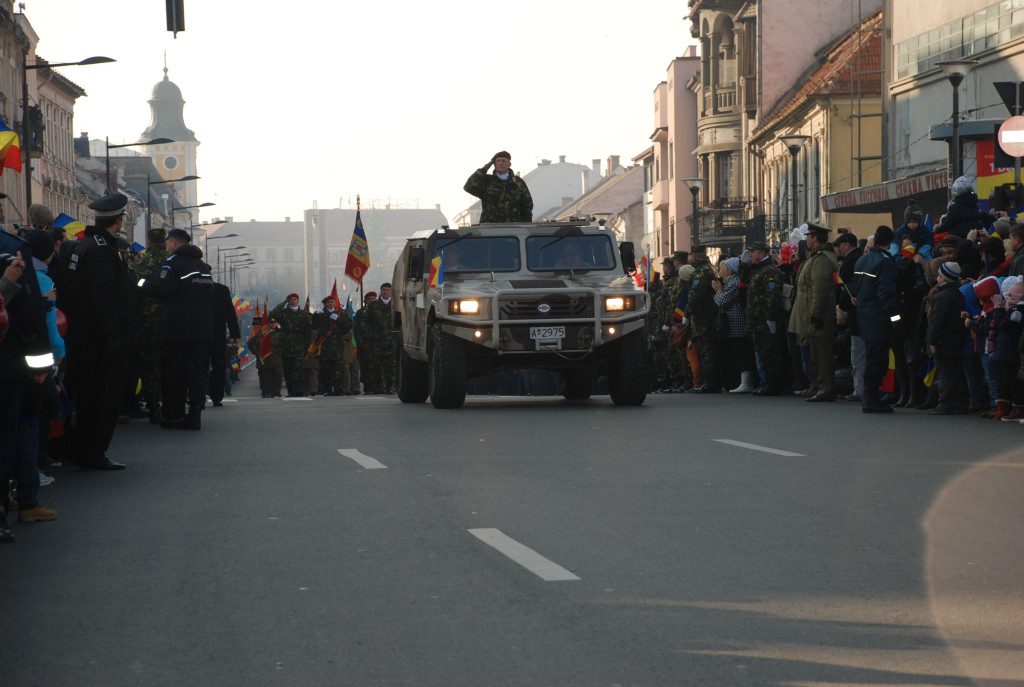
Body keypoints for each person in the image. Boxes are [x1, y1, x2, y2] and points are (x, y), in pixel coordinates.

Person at [61, 193, 133, 470]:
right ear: (118, 220)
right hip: (99, 339)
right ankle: (93, 451)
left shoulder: (81, 246)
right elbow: (103, 297)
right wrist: (113, 335)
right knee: (102, 398)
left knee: (85, 395)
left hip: (81, 336)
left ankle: (79, 449)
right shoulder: (103, 250)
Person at [138, 228, 214, 430]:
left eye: (168, 242)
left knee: (175, 372)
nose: (166, 246)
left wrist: (139, 282)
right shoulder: (202, 266)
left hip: (178, 328)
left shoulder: (173, 263)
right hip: (202, 328)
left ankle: (174, 413)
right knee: (197, 372)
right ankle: (195, 413)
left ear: (173, 242)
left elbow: (162, 290)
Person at [789, 223, 839, 402]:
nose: (806, 240)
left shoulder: (821, 260)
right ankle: (816, 385)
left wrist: (816, 313)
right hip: (808, 311)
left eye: (809, 236)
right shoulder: (812, 258)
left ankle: (826, 387)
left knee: (821, 353)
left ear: (815, 238)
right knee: (813, 353)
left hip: (818, 313)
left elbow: (819, 289)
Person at [852, 226, 899, 413]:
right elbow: (886, 294)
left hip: (864, 314)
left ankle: (870, 397)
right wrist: (896, 319)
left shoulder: (861, 261)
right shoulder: (885, 262)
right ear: (889, 242)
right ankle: (871, 399)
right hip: (879, 316)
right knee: (877, 359)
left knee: (871, 357)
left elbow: (857, 290)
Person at [135, 228, 169, 422]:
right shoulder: (171, 262)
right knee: (170, 364)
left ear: (148, 242)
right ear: (164, 241)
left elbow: (136, 287)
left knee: (149, 366)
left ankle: (153, 407)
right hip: (170, 320)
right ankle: (171, 406)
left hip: (147, 322)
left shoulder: (143, 264)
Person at [925, 261, 967, 415]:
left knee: (945, 373)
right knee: (955, 372)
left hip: (944, 341)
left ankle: (945, 404)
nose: (937, 278)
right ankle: (958, 403)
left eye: (939, 275)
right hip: (956, 339)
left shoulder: (942, 296)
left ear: (943, 278)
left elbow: (937, 322)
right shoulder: (958, 293)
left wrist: (932, 341)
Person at [745, 242, 786, 396]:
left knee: (771, 352)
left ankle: (774, 384)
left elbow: (773, 297)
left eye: (752, 252)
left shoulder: (769, 271)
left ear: (761, 253)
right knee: (763, 352)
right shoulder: (758, 271)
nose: (750, 255)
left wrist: (771, 318)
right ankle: (768, 382)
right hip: (758, 321)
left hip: (766, 320)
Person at [713, 257, 755, 393]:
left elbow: (722, 301)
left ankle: (746, 382)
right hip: (731, 322)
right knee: (736, 351)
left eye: (722, 267)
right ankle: (740, 381)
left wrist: (718, 290)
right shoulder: (729, 282)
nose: (720, 270)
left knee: (740, 351)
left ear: (729, 270)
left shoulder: (734, 282)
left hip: (736, 321)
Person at [685, 247, 721, 393]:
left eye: (691, 255)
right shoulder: (709, 268)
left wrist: (686, 313)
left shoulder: (700, 271)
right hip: (709, 315)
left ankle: (711, 383)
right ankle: (712, 381)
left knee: (706, 350)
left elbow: (696, 295)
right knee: (709, 349)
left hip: (704, 317)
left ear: (696, 256)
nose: (690, 258)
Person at [463, 151, 534, 223]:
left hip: (513, 227)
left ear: (509, 164)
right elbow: (468, 187)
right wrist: (487, 166)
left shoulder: (518, 182)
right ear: (494, 164)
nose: (500, 163)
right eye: (497, 161)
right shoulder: (487, 181)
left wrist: (525, 225)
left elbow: (527, 205)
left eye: (503, 161)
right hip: (490, 227)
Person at [834, 233, 863, 400]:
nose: (839, 249)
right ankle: (860, 388)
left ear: (848, 244)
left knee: (858, 353)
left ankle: (859, 389)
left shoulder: (852, 261)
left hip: (856, 314)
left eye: (840, 246)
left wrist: (843, 306)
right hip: (861, 314)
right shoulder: (858, 258)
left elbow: (845, 287)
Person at [272, 293, 312, 397]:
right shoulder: (283, 313)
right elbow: (273, 314)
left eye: (295, 299)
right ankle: (291, 391)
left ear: (298, 301)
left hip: (299, 347)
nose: (293, 301)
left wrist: (307, 347)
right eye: (290, 299)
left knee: (298, 370)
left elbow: (307, 333)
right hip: (286, 347)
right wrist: (283, 302)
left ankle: (299, 391)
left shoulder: (303, 314)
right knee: (288, 371)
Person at [208, 281, 240, 407]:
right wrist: (235, 333)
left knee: (198, 366)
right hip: (217, 334)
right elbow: (230, 313)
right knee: (219, 366)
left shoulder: (190, 286)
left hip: (197, 334)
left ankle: (197, 396)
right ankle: (216, 396)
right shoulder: (221, 289)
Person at [366, 283, 398, 393]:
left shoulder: (396, 305)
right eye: (383, 290)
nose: (385, 291)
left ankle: (391, 387)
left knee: (391, 367)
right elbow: (367, 322)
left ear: (391, 292)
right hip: (376, 342)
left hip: (391, 342)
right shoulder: (373, 305)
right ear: (380, 291)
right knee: (376, 367)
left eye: (387, 290)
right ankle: (377, 388)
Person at [354, 291, 378, 393]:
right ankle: (368, 387)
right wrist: (360, 344)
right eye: (370, 299)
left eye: (374, 298)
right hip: (365, 344)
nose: (372, 300)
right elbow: (357, 329)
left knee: (377, 367)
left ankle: (378, 387)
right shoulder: (360, 312)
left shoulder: (379, 311)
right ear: (365, 301)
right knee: (366, 367)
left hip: (377, 345)